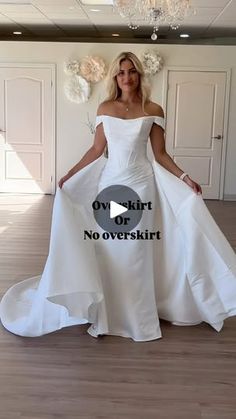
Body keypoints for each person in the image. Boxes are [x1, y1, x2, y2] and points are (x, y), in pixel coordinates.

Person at [0, 52, 236, 342]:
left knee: (136, 248)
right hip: (111, 186)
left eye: (132, 71)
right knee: (110, 248)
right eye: (121, 72)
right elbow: (96, 150)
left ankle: (138, 318)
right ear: (115, 77)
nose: (127, 77)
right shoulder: (106, 108)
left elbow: (160, 155)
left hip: (141, 186)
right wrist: (69, 174)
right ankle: (105, 313)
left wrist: (185, 178)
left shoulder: (153, 109)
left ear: (139, 75)